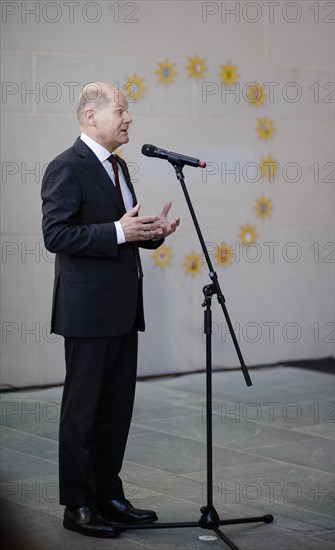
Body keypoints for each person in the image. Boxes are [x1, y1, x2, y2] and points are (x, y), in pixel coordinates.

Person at [41, 82, 180, 538]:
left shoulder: (118, 166)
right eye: (120, 110)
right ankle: (76, 505)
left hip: (123, 308)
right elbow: (57, 235)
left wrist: (151, 231)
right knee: (82, 412)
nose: (128, 118)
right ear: (90, 117)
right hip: (87, 312)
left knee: (116, 409)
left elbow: (122, 230)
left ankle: (109, 495)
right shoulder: (66, 167)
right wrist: (120, 232)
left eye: (128, 110)